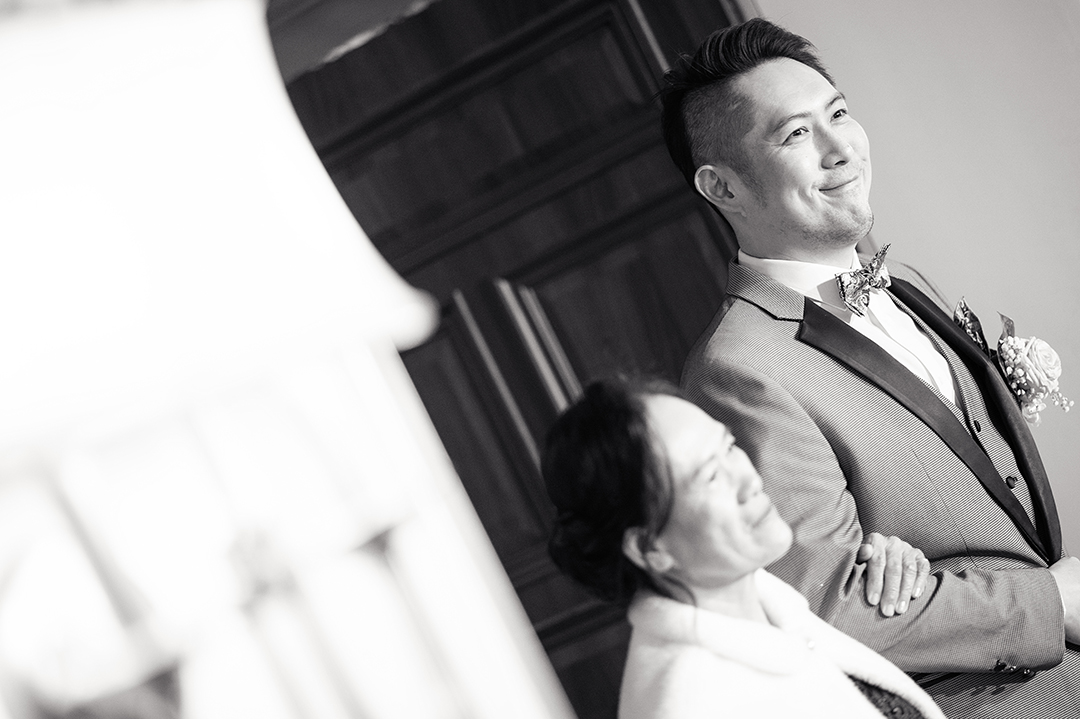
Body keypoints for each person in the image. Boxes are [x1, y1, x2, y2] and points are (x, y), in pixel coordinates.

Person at [659, 17, 1080, 718]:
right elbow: (829, 608)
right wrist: (1050, 603)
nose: (841, 149)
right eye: (796, 134)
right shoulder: (738, 367)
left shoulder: (904, 288)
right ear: (722, 187)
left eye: (838, 114)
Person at [543, 379, 945, 719]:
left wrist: (889, 564)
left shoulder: (771, 609)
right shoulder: (692, 703)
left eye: (729, 446)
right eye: (711, 475)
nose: (748, 479)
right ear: (650, 548)